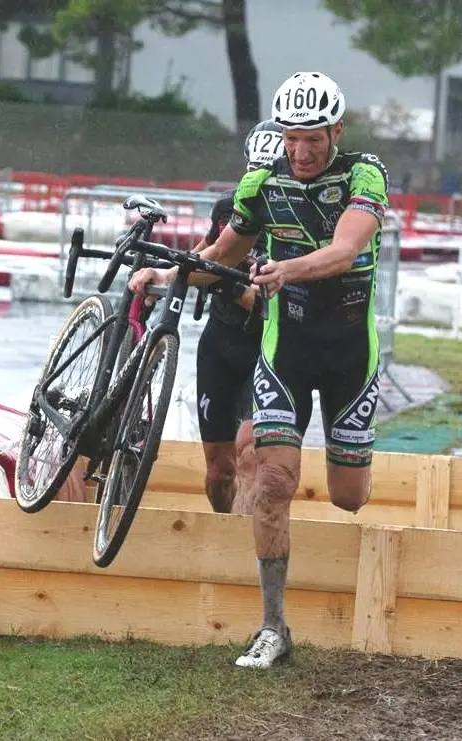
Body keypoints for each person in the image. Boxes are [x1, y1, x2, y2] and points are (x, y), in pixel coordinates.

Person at [128, 71, 389, 668]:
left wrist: (286, 270)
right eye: (292, 138)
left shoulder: (363, 173)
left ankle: (353, 464)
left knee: (350, 497)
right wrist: (166, 276)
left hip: (351, 353)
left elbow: (347, 250)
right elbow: (223, 257)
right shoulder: (260, 185)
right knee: (271, 482)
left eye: (314, 139)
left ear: (336, 133)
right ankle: (273, 627)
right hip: (285, 351)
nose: (300, 151)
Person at [193, 119, 285, 515]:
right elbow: (203, 257)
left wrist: (236, 288)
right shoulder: (227, 207)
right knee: (219, 470)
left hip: (265, 349)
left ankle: (243, 550)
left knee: (249, 456)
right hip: (220, 341)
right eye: (253, 174)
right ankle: (222, 528)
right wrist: (162, 272)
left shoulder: (294, 220)